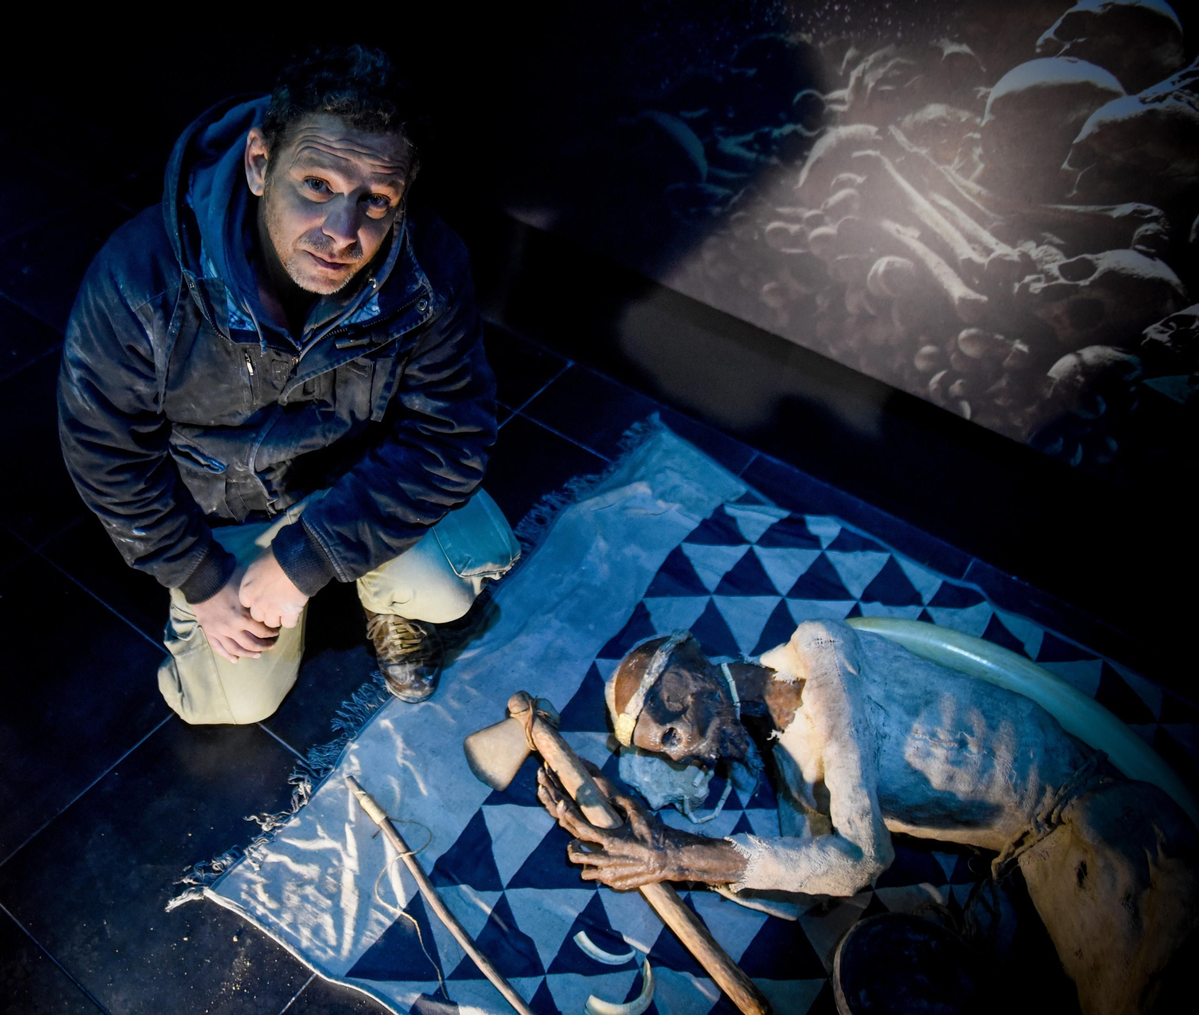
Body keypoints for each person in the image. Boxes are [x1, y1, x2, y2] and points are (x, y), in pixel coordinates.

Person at [58, 45, 517, 725]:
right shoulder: (140, 277)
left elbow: (453, 436)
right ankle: (276, 590)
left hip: (350, 482)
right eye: (318, 186)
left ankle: (379, 598)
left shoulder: (429, 270)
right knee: (227, 704)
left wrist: (311, 555)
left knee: (451, 588)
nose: (341, 233)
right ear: (258, 162)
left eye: (376, 202)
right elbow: (103, 450)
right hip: (226, 511)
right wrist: (202, 576)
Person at [537, 621, 1198, 1015]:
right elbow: (806, 888)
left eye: (672, 735)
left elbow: (859, 860)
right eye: (669, 749)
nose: (688, 753)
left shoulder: (819, 649)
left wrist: (678, 852)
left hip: (1104, 835)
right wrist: (632, 823)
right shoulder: (787, 762)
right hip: (1025, 870)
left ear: (690, 684)